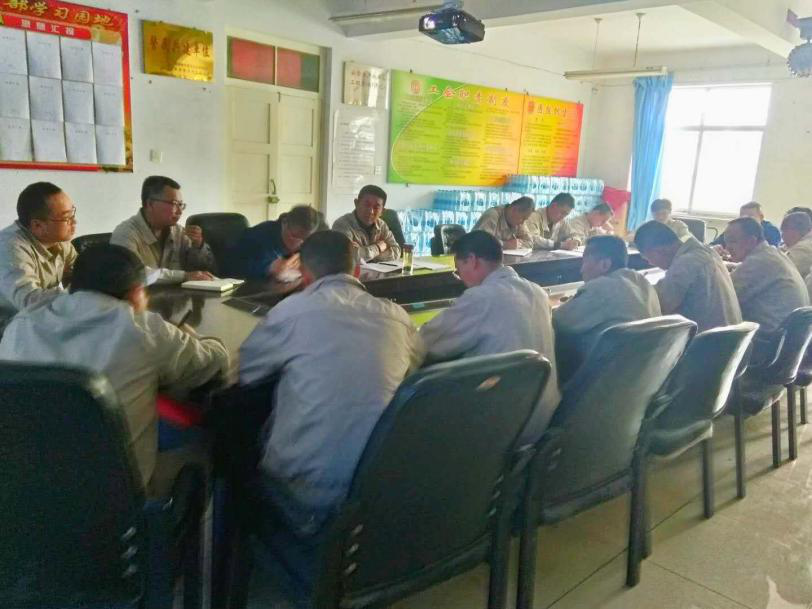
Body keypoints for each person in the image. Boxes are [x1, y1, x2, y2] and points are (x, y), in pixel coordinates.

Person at [0, 244, 230, 496]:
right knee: (205, 444)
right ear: (137, 293)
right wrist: (196, 338)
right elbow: (215, 363)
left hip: (25, 491)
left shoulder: (19, 326)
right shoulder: (141, 329)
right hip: (114, 500)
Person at [239, 230, 421, 535]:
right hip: (378, 488)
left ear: (304, 275)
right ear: (357, 271)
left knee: (238, 446)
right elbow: (415, 368)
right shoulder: (397, 318)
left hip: (308, 493)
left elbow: (246, 371)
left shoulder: (289, 313)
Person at [419, 230, 560, 440]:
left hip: (500, 427)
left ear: (472, 260)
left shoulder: (482, 297)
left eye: (459, 269)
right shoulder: (537, 291)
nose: (460, 278)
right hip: (543, 418)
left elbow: (425, 343)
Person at [553, 236, 661, 379]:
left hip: (599, 381)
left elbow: (557, 321)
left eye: (585, 262)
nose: (581, 270)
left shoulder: (601, 288)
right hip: (641, 379)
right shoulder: (644, 284)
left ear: (604, 265)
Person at [635, 221, 741, 332]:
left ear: (659, 251)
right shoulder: (705, 252)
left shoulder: (687, 263)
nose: (651, 263)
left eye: (648, 258)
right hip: (728, 337)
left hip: (707, 340)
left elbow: (655, 307)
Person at [0, 182, 77, 331]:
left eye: (73, 213)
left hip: (38, 322)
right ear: (37, 225)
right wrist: (82, 295)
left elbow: (83, 277)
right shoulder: (9, 247)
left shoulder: (60, 242)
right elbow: (29, 301)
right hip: (9, 328)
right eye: (67, 217)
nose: (74, 222)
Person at [110, 175, 215, 284]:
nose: (180, 211)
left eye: (181, 205)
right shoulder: (125, 234)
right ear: (150, 204)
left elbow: (202, 270)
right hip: (143, 295)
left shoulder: (179, 232)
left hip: (178, 294)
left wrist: (198, 245)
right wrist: (184, 276)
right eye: (174, 204)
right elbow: (134, 273)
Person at [725, 217, 809, 334]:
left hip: (767, 340)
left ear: (751, 241)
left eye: (732, 241)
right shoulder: (772, 255)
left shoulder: (758, 261)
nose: (727, 247)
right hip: (788, 338)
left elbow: (724, 296)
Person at [225, 205, 320, 279]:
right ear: (285, 223)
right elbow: (233, 266)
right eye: (295, 237)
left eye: (306, 239)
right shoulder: (260, 235)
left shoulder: (309, 239)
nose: (301, 244)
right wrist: (268, 268)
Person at [332, 184, 401, 263]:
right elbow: (347, 257)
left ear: (382, 211)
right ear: (356, 203)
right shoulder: (342, 225)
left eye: (376, 207)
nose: (371, 211)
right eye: (367, 205)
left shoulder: (382, 225)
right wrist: (378, 248)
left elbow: (397, 251)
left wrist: (364, 254)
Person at [711, 201, 781, 249]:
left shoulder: (772, 231)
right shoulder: (736, 229)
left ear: (761, 217)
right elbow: (712, 246)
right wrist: (716, 248)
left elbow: (770, 251)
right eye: (742, 217)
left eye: (750, 217)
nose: (745, 221)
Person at [781, 211, 812, 278]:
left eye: (783, 231)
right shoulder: (799, 242)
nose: (782, 236)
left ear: (793, 231)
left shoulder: (804, 249)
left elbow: (780, 269)